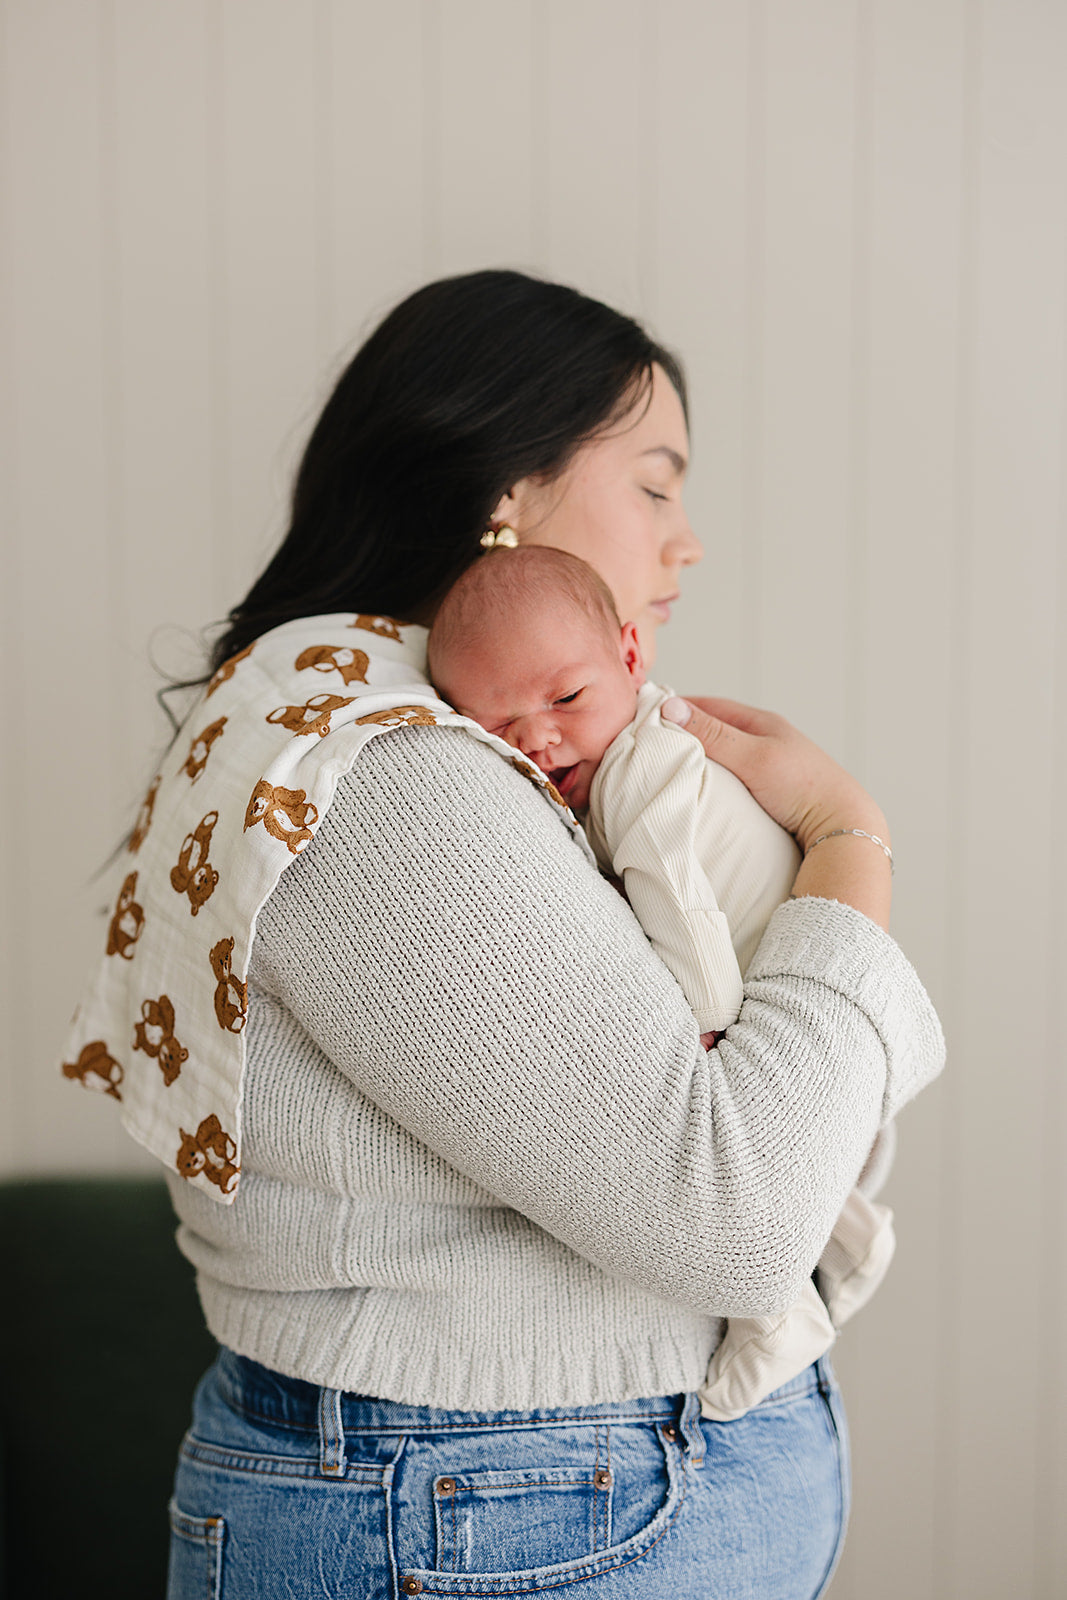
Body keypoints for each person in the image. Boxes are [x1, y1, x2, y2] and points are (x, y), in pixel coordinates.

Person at [61, 269, 944, 1599]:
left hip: (502, 1496)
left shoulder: (335, 710)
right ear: (510, 492)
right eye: (655, 485)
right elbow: (741, 1220)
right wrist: (845, 836)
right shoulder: (388, 771)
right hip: (504, 1503)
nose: (685, 543)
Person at [427, 543, 898, 1423]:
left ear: (632, 655)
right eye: (496, 725)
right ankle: (853, 1240)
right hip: (803, 973)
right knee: (806, 1177)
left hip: (754, 980)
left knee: (753, 1180)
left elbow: (685, 909)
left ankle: (781, 1323)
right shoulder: (616, 759)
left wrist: (704, 1029)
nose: (537, 737)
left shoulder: (642, 772)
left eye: (565, 698)